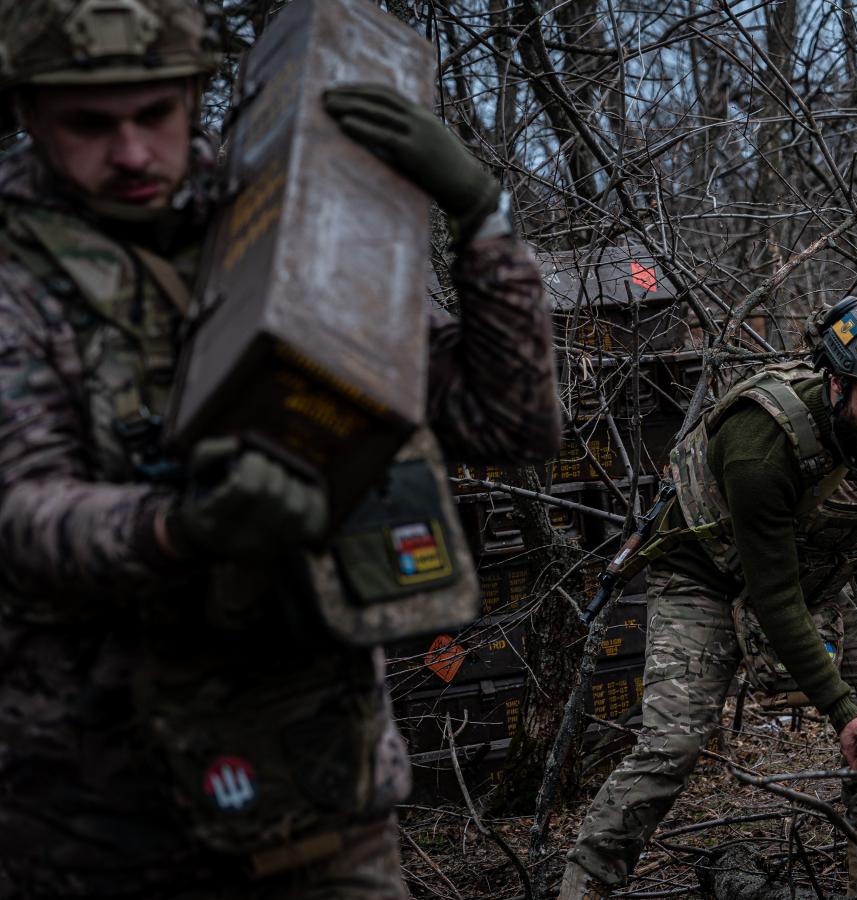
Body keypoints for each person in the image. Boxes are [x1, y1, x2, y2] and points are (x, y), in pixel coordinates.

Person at [0, 1, 560, 896]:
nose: (134, 153)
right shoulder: (17, 273)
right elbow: (24, 514)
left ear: (194, 93)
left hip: (319, 791)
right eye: (90, 125)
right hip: (97, 819)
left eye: (156, 114)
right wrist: (182, 528)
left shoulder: (280, 205)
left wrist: (483, 223)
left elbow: (505, 422)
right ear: (28, 113)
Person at [561, 297, 857, 900]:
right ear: (839, 385)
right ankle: (584, 887)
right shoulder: (761, 443)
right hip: (703, 578)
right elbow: (773, 597)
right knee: (672, 746)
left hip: (806, 573)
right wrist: (840, 710)